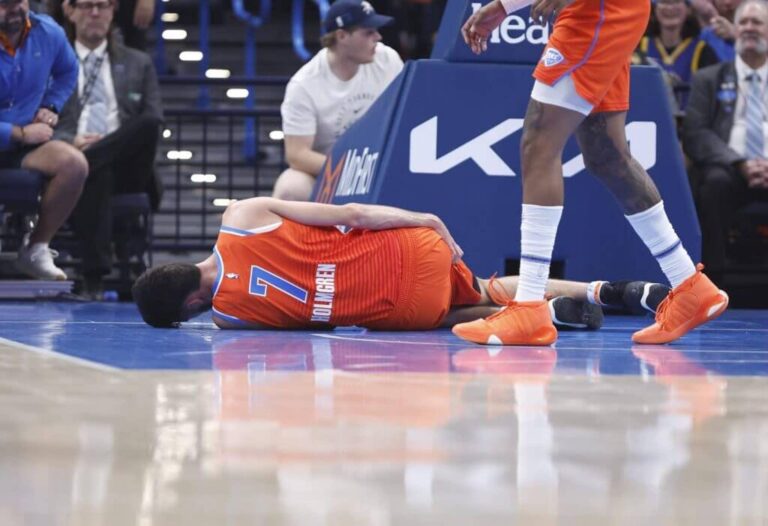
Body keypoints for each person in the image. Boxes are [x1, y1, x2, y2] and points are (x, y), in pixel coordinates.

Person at [457, 0, 729, 346]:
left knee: (539, 142)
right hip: (599, 9)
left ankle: (527, 306)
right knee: (607, 157)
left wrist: (502, 6)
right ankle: (691, 287)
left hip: (599, 8)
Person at [132, 198, 669, 330]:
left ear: (192, 304)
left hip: (406, 307)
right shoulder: (243, 215)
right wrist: (426, 219)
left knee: (448, 314)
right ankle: (609, 289)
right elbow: (353, 212)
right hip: (410, 250)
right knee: (481, 281)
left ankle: (546, 314)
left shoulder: (230, 318)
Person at [54, 0, 163, 299]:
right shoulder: (55, 62)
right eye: (88, 5)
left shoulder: (138, 62)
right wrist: (69, 144)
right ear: (69, 10)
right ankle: (95, 276)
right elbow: (44, 118)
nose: (95, 13)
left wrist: (97, 148)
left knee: (148, 124)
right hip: (75, 159)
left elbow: (154, 120)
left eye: (102, 5)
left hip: (130, 164)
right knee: (94, 171)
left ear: (114, 11)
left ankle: (93, 277)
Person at [273, 0, 403, 201]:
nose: (378, 37)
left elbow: (404, 118)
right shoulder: (304, 85)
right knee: (290, 187)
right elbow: (297, 155)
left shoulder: (387, 59)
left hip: (380, 164)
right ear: (342, 36)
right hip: (328, 169)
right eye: (368, 32)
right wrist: (353, 171)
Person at [0, 0, 88, 280]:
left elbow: (68, 70)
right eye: (3, 3)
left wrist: (51, 106)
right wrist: (19, 133)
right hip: (19, 134)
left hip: (23, 144)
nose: (13, 9)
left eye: (18, 2)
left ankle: (37, 247)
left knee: (73, 164)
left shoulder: (49, 32)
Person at [682, 0, 768, 284]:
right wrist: (739, 161)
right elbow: (695, 133)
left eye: (757, 22)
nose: (749, 29)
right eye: (744, 23)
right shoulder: (710, 78)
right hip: (729, 167)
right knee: (712, 183)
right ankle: (712, 281)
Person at [637, 0, 719, 109]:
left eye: (676, 2)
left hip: (689, 121)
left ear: (688, 9)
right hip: (647, 119)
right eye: (664, 2)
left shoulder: (702, 50)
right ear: (654, 8)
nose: (670, 8)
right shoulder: (639, 46)